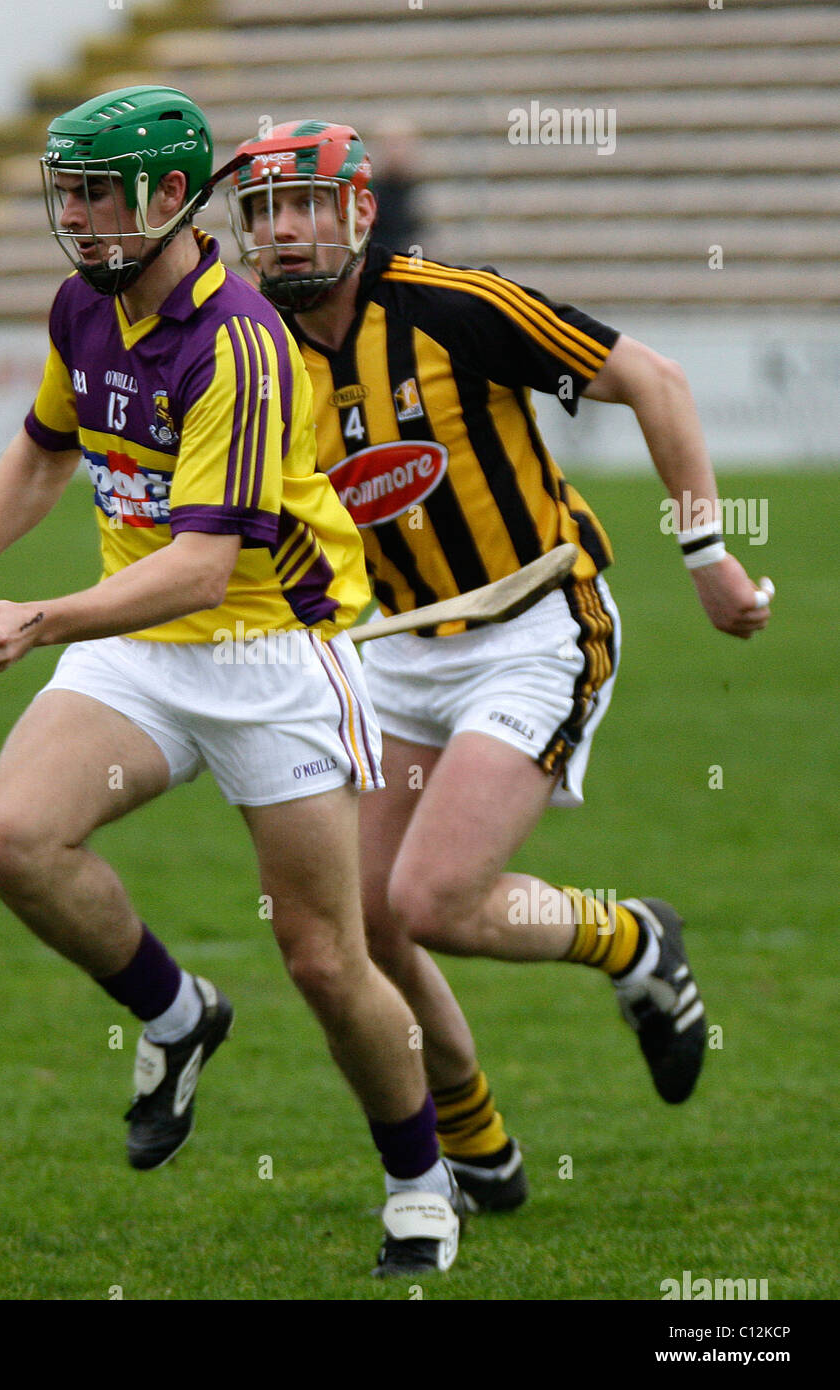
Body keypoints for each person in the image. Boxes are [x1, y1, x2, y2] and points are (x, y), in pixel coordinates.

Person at [0, 85, 465, 1276]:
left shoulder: (239, 341)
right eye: (66, 193)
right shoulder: (83, 304)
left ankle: (419, 1175)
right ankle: (177, 1011)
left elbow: (203, 571)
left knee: (321, 955)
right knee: (12, 839)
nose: (76, 216)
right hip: (138, 646)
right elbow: (48, 448)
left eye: (95, 194)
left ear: (166, 197)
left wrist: (38, 620)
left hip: (271, 656)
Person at [228, 120, 773, 1210]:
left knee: (428, 899)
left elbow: (654, 380)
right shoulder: (261, 352)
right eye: (262, 214)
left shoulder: (452, 303)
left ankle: (632, 939)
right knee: (363, 921)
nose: (284, 233)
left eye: (305, 207)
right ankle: (478, 1147)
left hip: (536, 627)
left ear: (359, 213)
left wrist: (705, 550)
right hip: (400, 652)